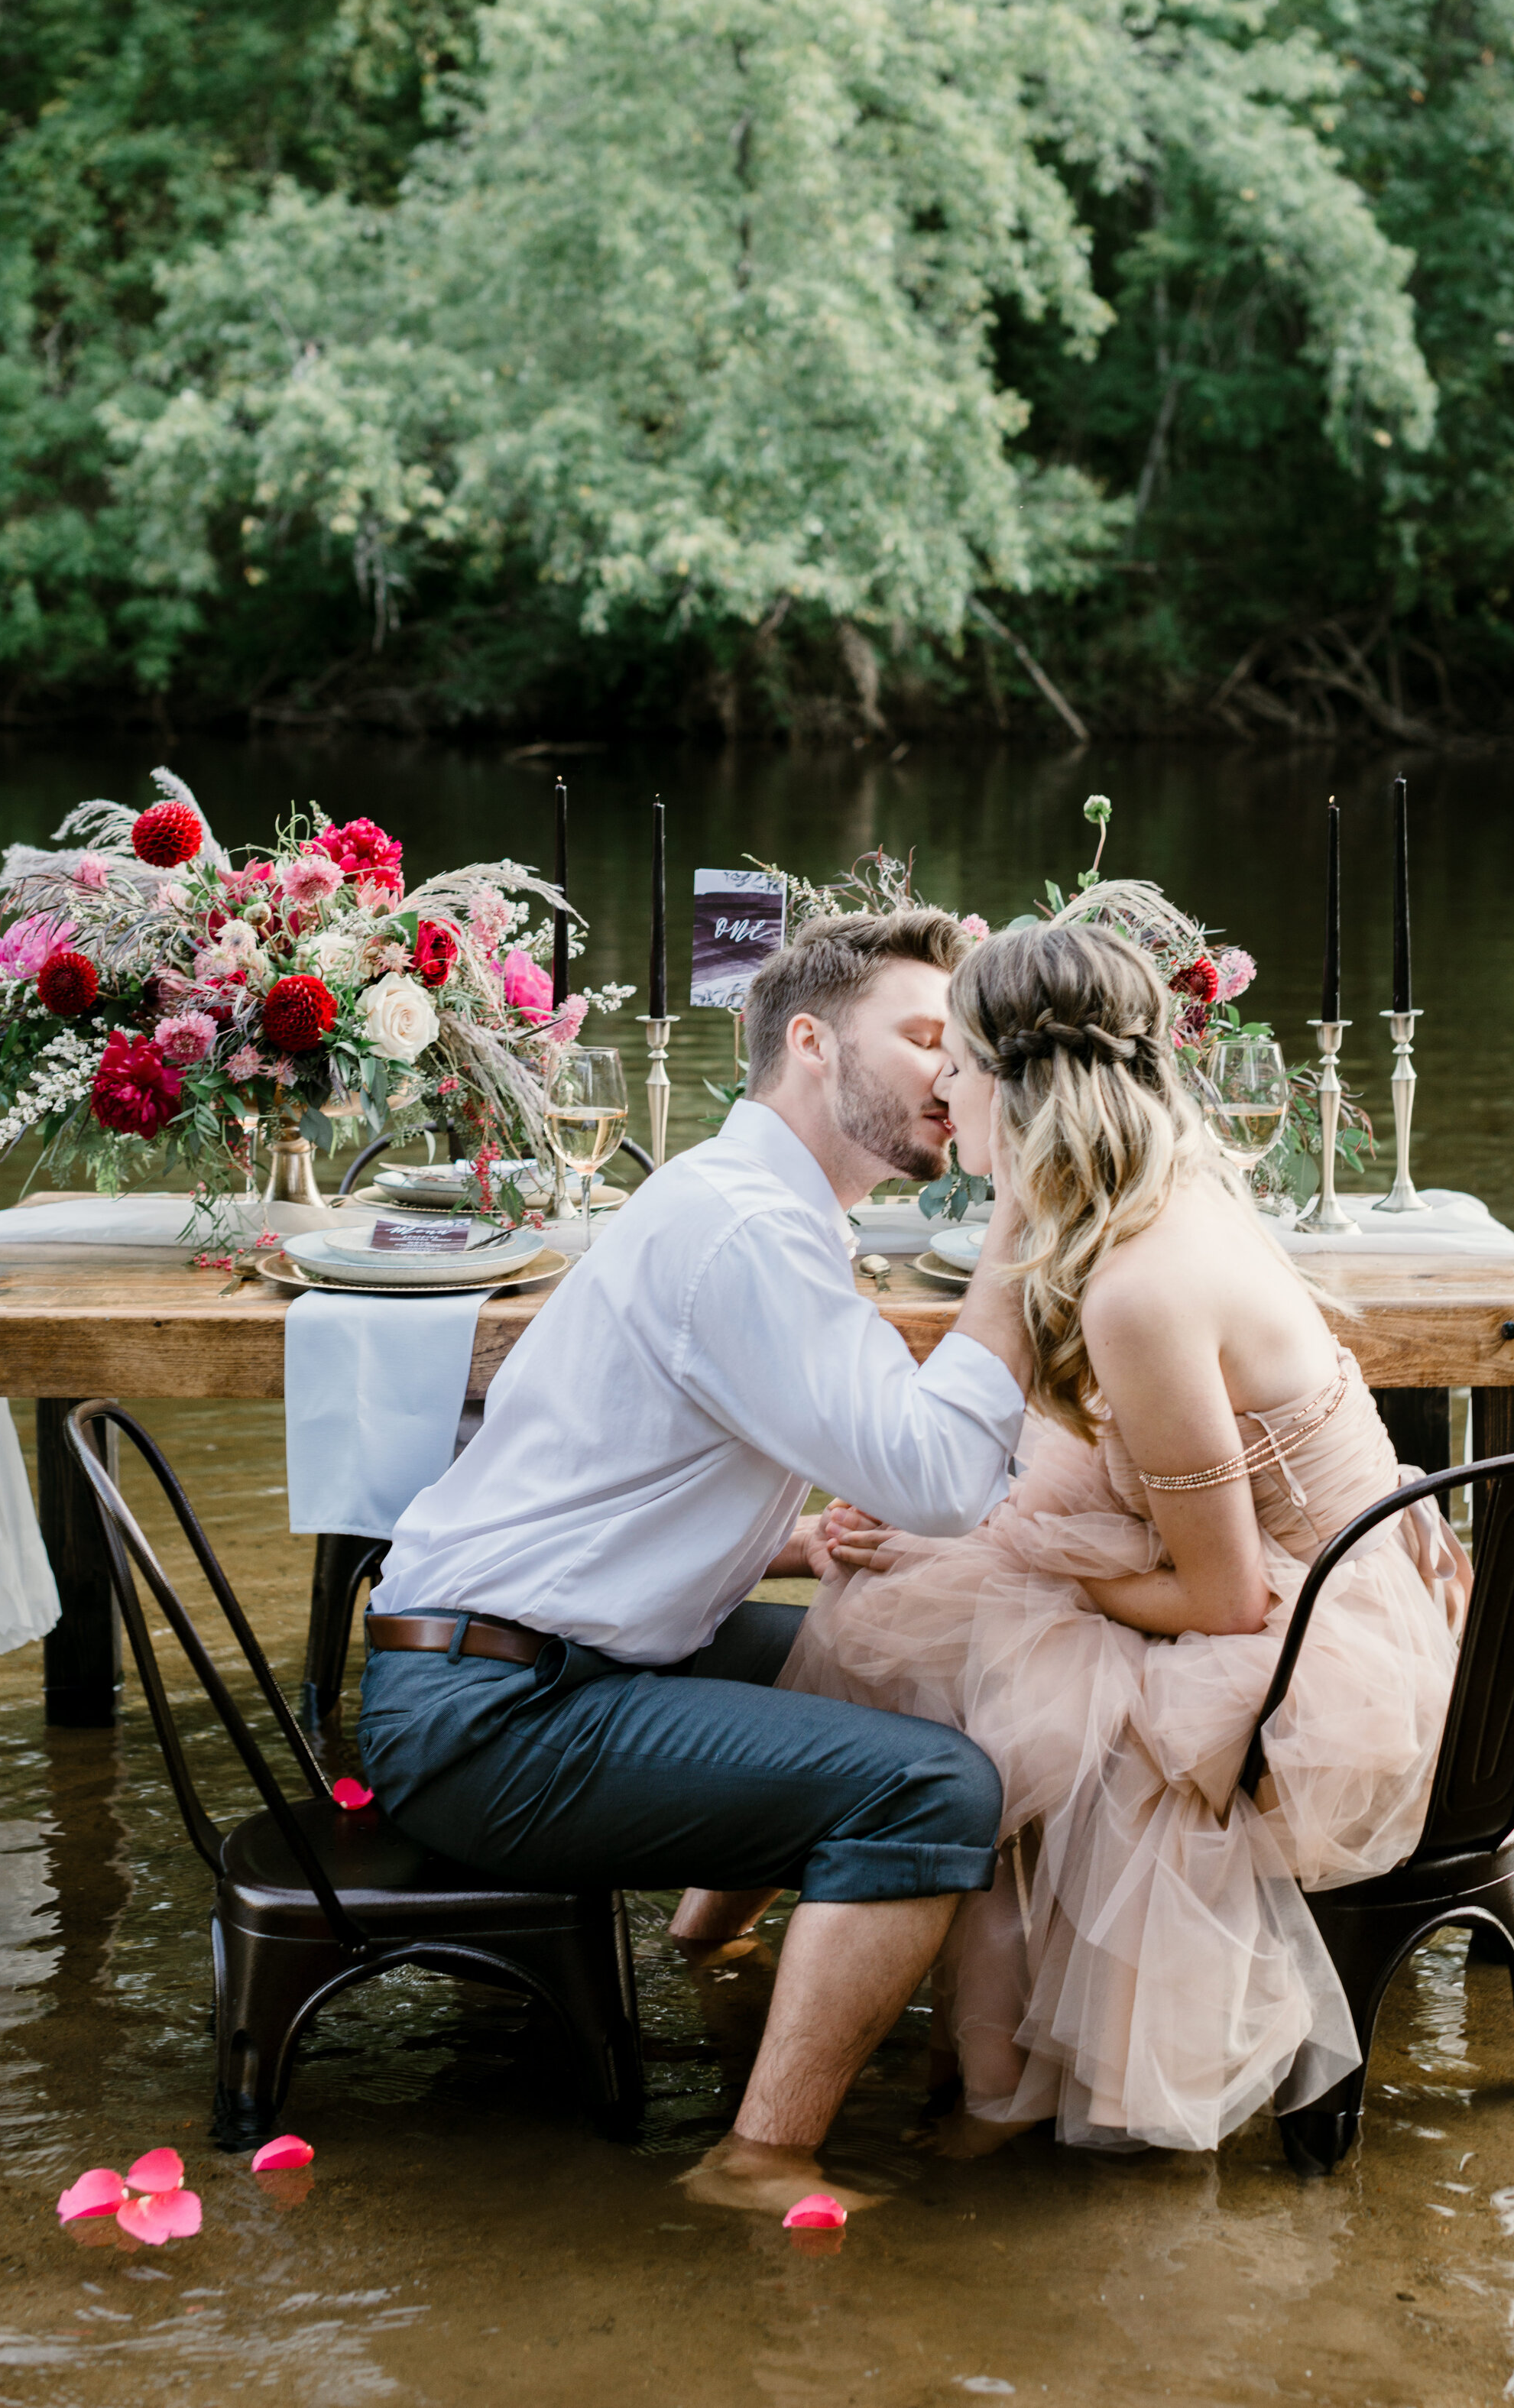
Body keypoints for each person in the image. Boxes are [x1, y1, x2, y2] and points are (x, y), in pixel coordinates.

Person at [357, 908, 1033, 2211]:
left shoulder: (753, 1207)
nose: (952, 1076)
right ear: (809, 1042)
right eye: (922, 1040)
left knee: (902, 1661)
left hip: (536, 1654)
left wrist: (786, 1539)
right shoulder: (746, 1231)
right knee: (932, 1787)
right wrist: (1018, 1229)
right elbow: (943, 1479)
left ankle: (702, 1947)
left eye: (961, 1052)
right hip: (493, 1713)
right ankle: (759, 2155)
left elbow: (625, 1474)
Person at [783, 900, 1473, 2154]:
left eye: (960, 1058)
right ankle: (835, 1984)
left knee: (984, 1717)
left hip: (1309, 1638)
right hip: (1293, 1566)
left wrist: (1053, 1582)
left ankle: (990, 2089)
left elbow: (1226, 1604)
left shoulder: (1140, 1289)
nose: (940, 1079)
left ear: (1022, 1085)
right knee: (912, 1597)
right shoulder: (1157, 1190)